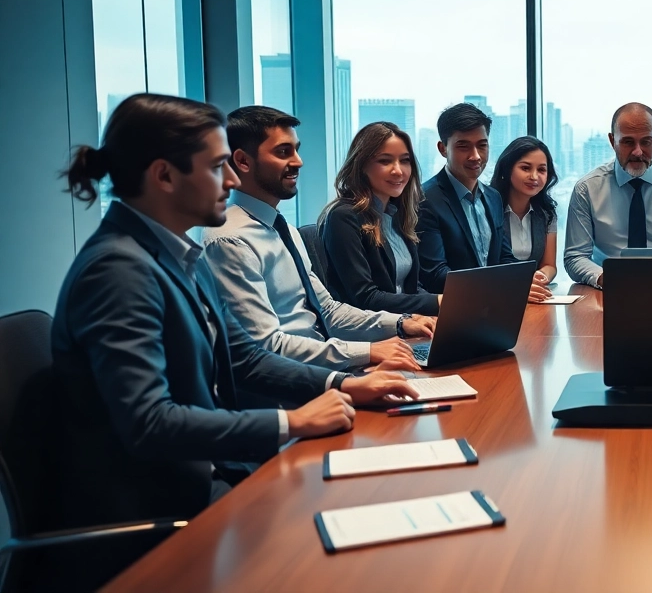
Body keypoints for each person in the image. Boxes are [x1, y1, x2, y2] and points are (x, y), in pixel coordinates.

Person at [50, 93, 418, 534]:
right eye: (215, 166)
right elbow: (149, 422)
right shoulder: (117, 272)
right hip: (169, 503)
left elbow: (243, 356)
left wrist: (344, 385)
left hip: (215, 471)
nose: (230, 179)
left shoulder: (175, 252)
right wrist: (291, 421)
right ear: (164, 175)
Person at [203, 107, 430, 375]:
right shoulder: (230, 240)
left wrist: (403, 323)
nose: (298, 161)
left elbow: (328, 311)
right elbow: (265, 346)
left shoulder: (282, 228)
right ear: (242, 161)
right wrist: (366, 353)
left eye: (296, 150)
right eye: (283, 152)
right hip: (294, 387)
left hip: (326, 367)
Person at [564, 103, 652, 288]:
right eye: (627, 142)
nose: (637, 152)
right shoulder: (586, 189)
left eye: (646, 142)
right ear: (612, 141)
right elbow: (575, 257)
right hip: (608, 289)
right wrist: (608, 278)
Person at [320, 122, 440, 316]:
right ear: (361, 166)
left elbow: (410, 288)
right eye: (385, 161)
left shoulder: (396, 214)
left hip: (404, 325)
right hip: (367, 333)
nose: (398, 171)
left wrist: (444, 305)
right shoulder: (343, 217)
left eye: (405, 160)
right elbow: (365, 298)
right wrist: (435, 302)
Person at [417, 102, 515, 292]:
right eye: (463, 146)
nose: (476, 156)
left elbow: (504, 258)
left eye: (482, 145)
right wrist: (499, 283)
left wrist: (525, 278)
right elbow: (435, 274)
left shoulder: (493, 197)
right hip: (448, 311)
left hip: (495, 307)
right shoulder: (425, 200)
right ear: (443, 149)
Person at [490, 136, 560, 303]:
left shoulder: (547, 214)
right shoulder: (489, 209)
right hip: (497, 298)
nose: (534, 176)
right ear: (507, 169)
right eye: (525, 168)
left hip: (534, 297)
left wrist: (540, 276)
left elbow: (550, 265)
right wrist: (520, 283)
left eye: (542, 170)